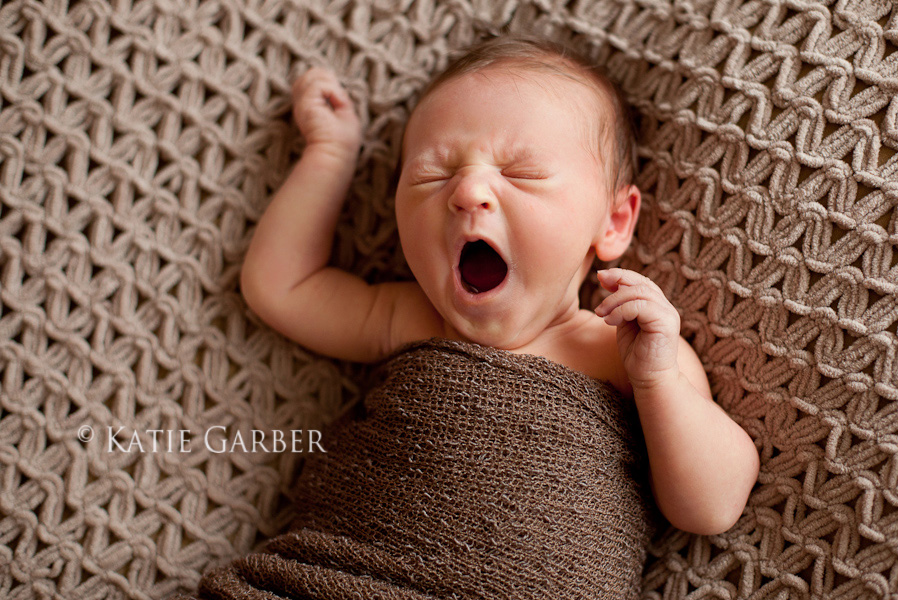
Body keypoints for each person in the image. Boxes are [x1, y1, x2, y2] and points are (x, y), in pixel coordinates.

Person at [212, 36, 760, 599]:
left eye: (522, 173)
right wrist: (329, 156)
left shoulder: (627, 353)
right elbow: (281, 287)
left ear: (614, 221)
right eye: (431, 175)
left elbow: (711, 507)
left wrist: (659, 382)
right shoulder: (407, 317)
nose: (469, 190)